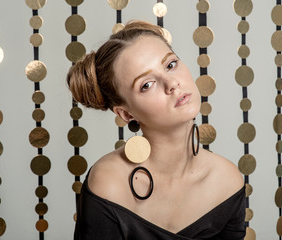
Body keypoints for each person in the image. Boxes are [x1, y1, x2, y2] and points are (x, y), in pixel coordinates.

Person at [67, 20, 245, 240]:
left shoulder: (227, 180)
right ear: (126, 114)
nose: (171, 83)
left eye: (170, 65)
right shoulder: (109, 183)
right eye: (146, 84)